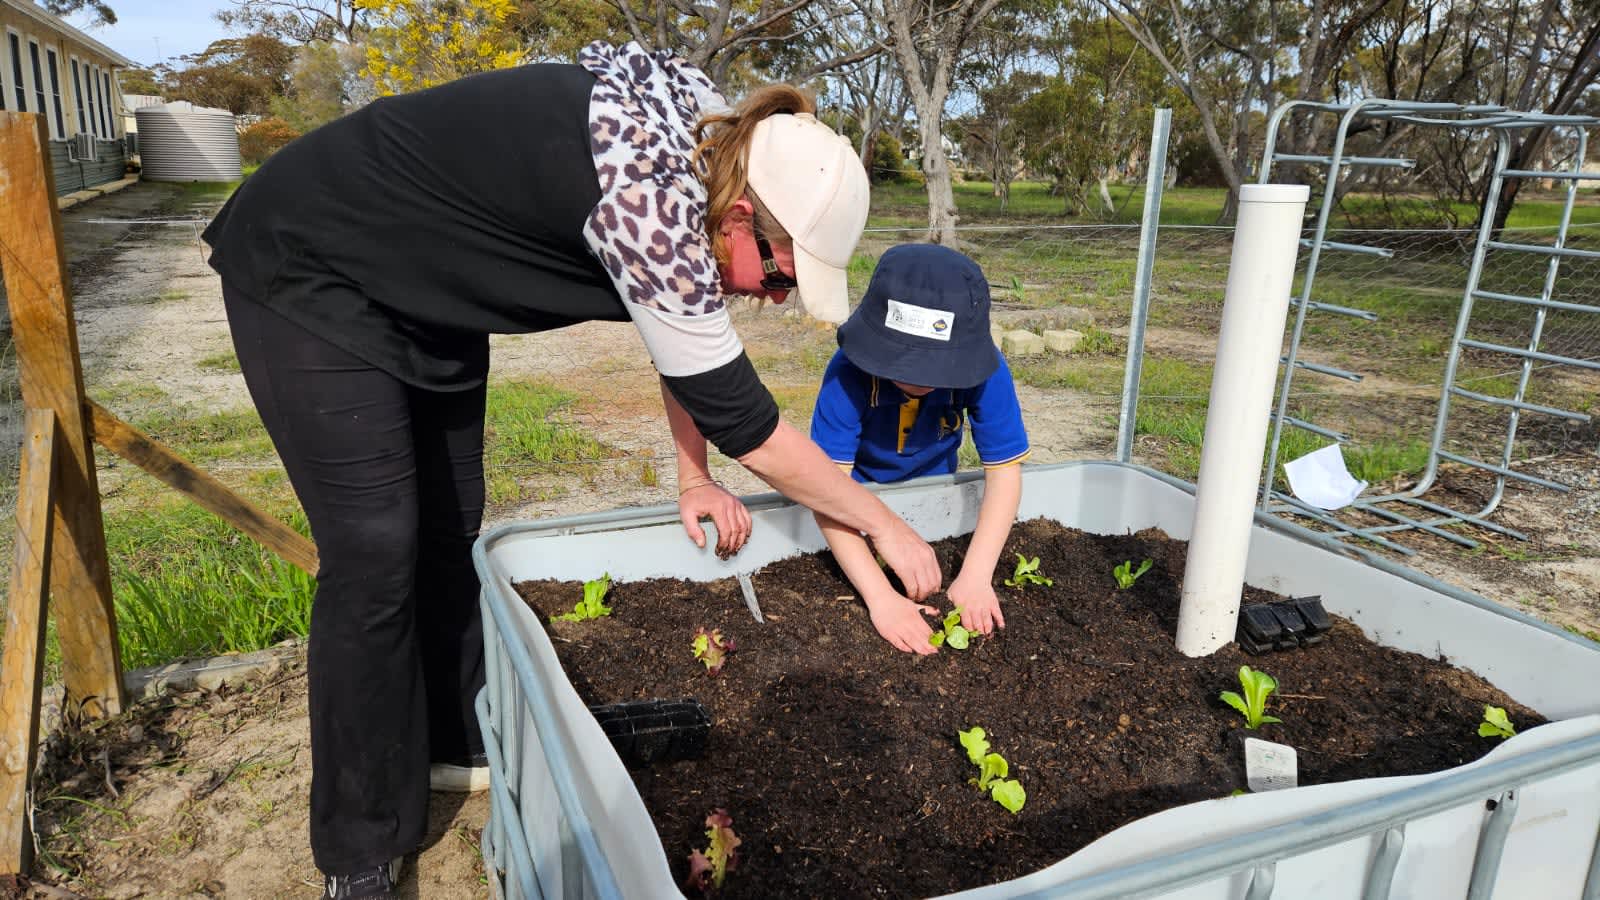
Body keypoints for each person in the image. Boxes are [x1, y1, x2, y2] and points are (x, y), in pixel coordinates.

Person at [201, 41, 941, 899]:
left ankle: (453, 738)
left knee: (451, 527)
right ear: (741, 216)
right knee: (373, 554)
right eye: (780, 274)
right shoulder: (650, 200)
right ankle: (359, 842)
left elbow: (683, 335)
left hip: (426, 291)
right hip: (314, 258)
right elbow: (743, 414)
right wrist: (883, 521)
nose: (777, 297)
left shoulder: (703, 147)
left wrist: (694, 477)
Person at [810, 244, 1030, 655]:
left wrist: (977, 576)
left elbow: (1004, 474)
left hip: (936, 485)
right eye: (905, 363)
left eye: (937, 367)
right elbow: (827, 490)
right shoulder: (846, 374)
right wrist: (880, 598)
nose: (921, 378)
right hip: (857, 497)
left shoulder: (988, 373)